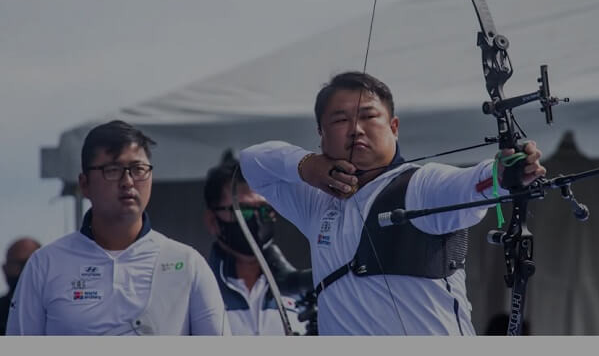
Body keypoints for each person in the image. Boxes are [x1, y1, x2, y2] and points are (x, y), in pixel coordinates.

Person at [240, 71, 546, 335]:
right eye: (340, 119)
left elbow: (472, 184)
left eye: (369, 116)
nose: (356, 129)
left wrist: (504, 172)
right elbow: (252, 161)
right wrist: (307, 165)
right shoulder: (317, 202)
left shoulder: (420, 185)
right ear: (320, 134)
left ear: (394, 127)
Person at [6, 120, 230, 335]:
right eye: (112, 170)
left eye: (138, 169)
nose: (128, 181)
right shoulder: (44, 265)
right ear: (84, 184)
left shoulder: (188, 264)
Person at [202, 153, 314, 335]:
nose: (256, 220)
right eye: (244, 211)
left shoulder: (301, 290)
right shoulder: (198, 289)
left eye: (264, 210)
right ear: (212, 221)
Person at [0, 237, 41, 335]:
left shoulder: (60, 308)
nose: (26, 271)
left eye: (31, 264)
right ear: (5, 268)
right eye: (21, 264)